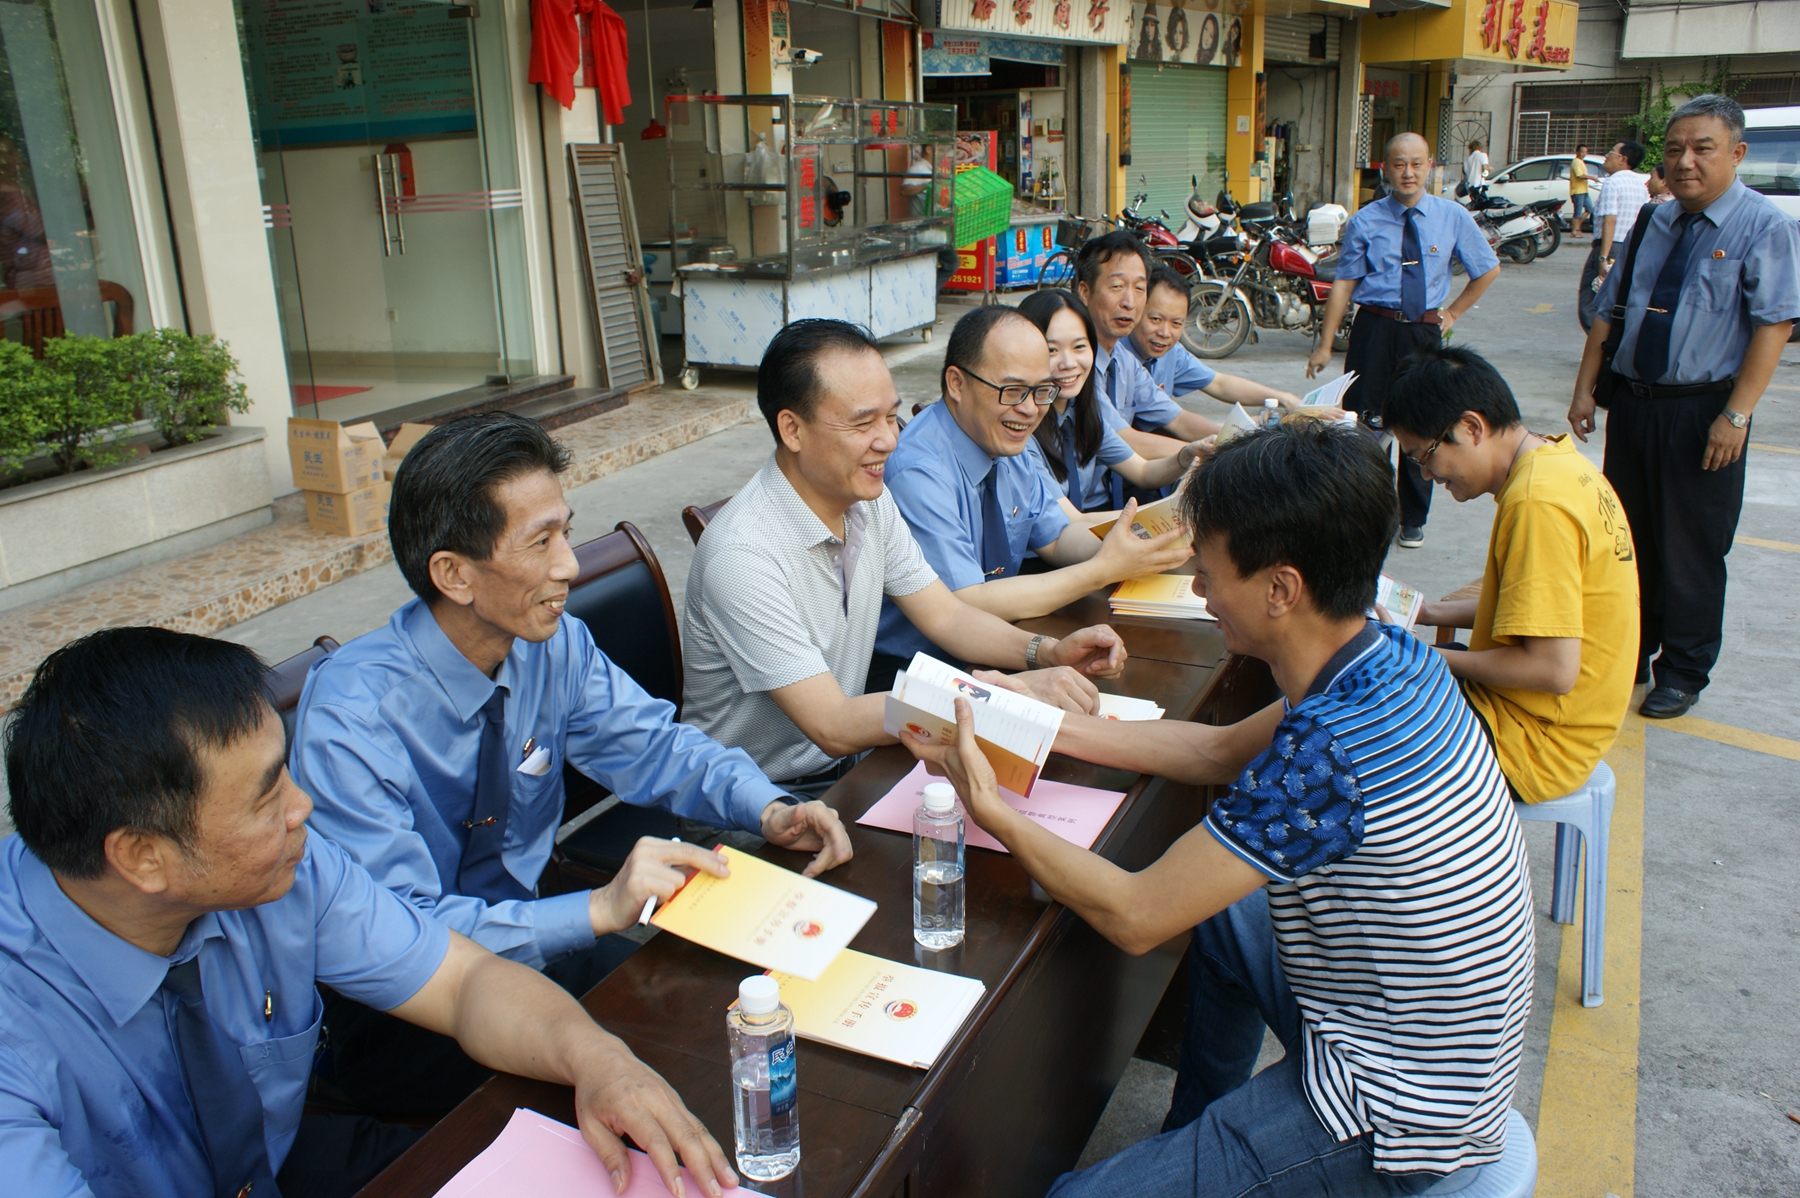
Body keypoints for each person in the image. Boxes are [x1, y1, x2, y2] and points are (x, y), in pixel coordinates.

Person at [907, 421, 1534, 1197]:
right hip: (1423, 1030)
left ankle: (1230, 1164)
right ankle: (1200, 1134)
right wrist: (1025, 720)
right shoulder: (1386, 657)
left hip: (1399, 1110)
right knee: (1233, 917)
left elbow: (1137, 915)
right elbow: (1212, 751)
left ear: (1281, 589)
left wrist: (993, 808)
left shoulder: (1328, 752)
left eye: (1207, 572)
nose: (1200, 592)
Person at [0, 628, 737, 1198]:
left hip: (276, 1164)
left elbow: (464, 981)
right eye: (265, 796)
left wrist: (600, 1062)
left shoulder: (287, 868)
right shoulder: (17, 1033)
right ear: (142, 857)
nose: (302, 806)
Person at [291, 413, 852, 1115]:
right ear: (454, 574)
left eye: (566, 531)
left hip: (541, 937)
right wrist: (596, 910)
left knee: (730, 1036)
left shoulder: (551, 644)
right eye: (541, 542)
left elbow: (654, 746)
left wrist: (765, 806)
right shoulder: (350, 719)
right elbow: (406, 935)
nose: (569, 565)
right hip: (408, 1012)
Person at [681, 318, 1128, 794]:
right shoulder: (743, 555)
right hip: (756, 799)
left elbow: (947, 615)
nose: (890, 440)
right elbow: (833, 723)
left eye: (891, 417)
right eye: (863, 423)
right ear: (792, 429)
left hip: (851, 764)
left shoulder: (866, 503)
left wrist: (1046, 652)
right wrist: (995, 698)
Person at [1570, 94, 1800, 718]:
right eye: (1675, 150)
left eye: (1703, 149)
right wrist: (1585, 388)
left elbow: (1774, 325)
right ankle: (1631, 651)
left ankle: (1683, 670)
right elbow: (1611, 310)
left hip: (1704, 413)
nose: (1685, 162)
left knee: (1692, 548)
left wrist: (1737, 415)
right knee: (1629, 540)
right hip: (1636, 405)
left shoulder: (1764, 226)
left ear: (1737, 153)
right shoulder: (1653, 220)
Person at [870, 304, 1194, 691]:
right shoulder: (919, 471)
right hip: (915, 666)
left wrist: (1134, 543)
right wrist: (1102, 569)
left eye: (1042, 391)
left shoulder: (1008, 441)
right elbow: (967, 602)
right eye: (1012, 391)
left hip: (1001, 637)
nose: (1029, 409)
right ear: (956, 383)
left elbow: (1056, 538)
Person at [1384, 345, 1638, 803]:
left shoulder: (1537, 503)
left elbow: (1552, 669)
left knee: (1353, 711)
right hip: (1549, 718)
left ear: (1471, 427)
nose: (1425, 475)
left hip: (1534, 742)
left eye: (1425, 455)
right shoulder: (1557, 464)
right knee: (1384, 675)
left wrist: (1420, 657)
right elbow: (1540, 609)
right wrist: (1430, 612)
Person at [1308, 132, 1501, 550]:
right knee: (1363, 427)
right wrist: (1324, 343)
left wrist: (1453, 313)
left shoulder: (1452, 217)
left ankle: (1413, 518)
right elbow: (1344, 284)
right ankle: (1367, 515)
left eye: (1416, 163)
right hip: (1374, 330)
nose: (1408, 172)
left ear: (1430, 166)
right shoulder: (1365, 220)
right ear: (1385, 169)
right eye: (1399, 164)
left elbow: (1487, 268)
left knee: (1424, 423)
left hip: (1423, 332)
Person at [1017, 288, 1213, 514]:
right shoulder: (1023, 427)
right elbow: (1069, 522)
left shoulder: (1083, 412)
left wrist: (1186, 456)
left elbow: (1143, 471)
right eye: (1052, 350)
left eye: (1079, 347)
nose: (1068, 363)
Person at [1075, 231, 1223, 453]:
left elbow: (1178, 420)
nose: (1129, 302)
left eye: (1139, 289)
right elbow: (1125, 439)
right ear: (1085, 292)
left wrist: (1232, 440)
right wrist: (1204, 451)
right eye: (1117, 286)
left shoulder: (1123, 361)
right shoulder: (1074, 363)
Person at [1122, 265, 1305, 414]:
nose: (1164, 333)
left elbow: (1219, 384)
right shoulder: (1115, 356)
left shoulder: (1172, 354)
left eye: (1176, 323)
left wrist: (1283, 398)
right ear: (1136, 310)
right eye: (1155, 319)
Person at [1580, 140, 1650, 332]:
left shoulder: (1612, 182)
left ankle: (1599, 344)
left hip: (1611, 247)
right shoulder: (1641, 185)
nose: (1606, 156)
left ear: (1622, 159)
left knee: (1590, 301)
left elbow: (1610, 220)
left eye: (1611, 152)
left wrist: (1602, 257)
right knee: (1617, 301)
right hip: (1631, 247)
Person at [1568, 144, 1593, 239]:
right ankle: (1574, 231)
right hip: (1577, 191)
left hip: (1583, 190)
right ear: (1577, 152)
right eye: (1582, 152)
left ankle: (1577, 226)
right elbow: (1580, 176)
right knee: (1577, 212)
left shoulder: (1581, 162)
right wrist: (1592, 177)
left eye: (1586, 152)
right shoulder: (1576, 162)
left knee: (1590, 209)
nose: (1584, 154)